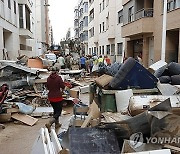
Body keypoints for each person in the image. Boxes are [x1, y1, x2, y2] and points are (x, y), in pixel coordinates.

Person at [45, 66, 65, 132]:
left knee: (55, 110)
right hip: (58, 97)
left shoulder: (48, 78)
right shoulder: (58, 78)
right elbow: (63, 86)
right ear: (57, 71)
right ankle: (50, 123)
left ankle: (57, 124)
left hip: (51, 97)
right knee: (58, 112)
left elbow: (47, 87)